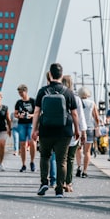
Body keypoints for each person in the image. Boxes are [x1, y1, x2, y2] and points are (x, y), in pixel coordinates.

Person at [31, 63, 80, 196]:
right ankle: (59, 189)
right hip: (64, 131)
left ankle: (44, 183)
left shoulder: (42, 91)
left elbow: (36, 112)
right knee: (61, 160)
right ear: (61, 75)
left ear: (50, 75)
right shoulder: (68, 92)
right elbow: (74, 113)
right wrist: (77, 130)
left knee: (44, 157)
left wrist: (34, 129)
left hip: (46, 130)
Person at [76, 87, 99, 177]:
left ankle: (78, 167)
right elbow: (96, 117)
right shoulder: (92, 103)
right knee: (87, 151)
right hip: (89, 128)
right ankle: (85, 171)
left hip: (79, 128)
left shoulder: (77, 102)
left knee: (78, 149)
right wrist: (97, 126)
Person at [14, 84, 36, 172]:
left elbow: (37, 113)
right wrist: (19, 115)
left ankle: (32, 161)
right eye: (19, 92)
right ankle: (23, 164)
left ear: (25, 91)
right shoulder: (18, 102)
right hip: (21, 124)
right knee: (22, 144)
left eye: (21, 92)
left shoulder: (33, 101)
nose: (20, 94)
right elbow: (15, 114)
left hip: (31, 123)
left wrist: (31, 115)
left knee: (32, 142)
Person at [0, 92, 10, 171]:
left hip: (3, 129)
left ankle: (1, 163)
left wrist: (10, 128)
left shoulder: (5, 108)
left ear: (1, 97)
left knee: (2, 145)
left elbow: (8, 119)